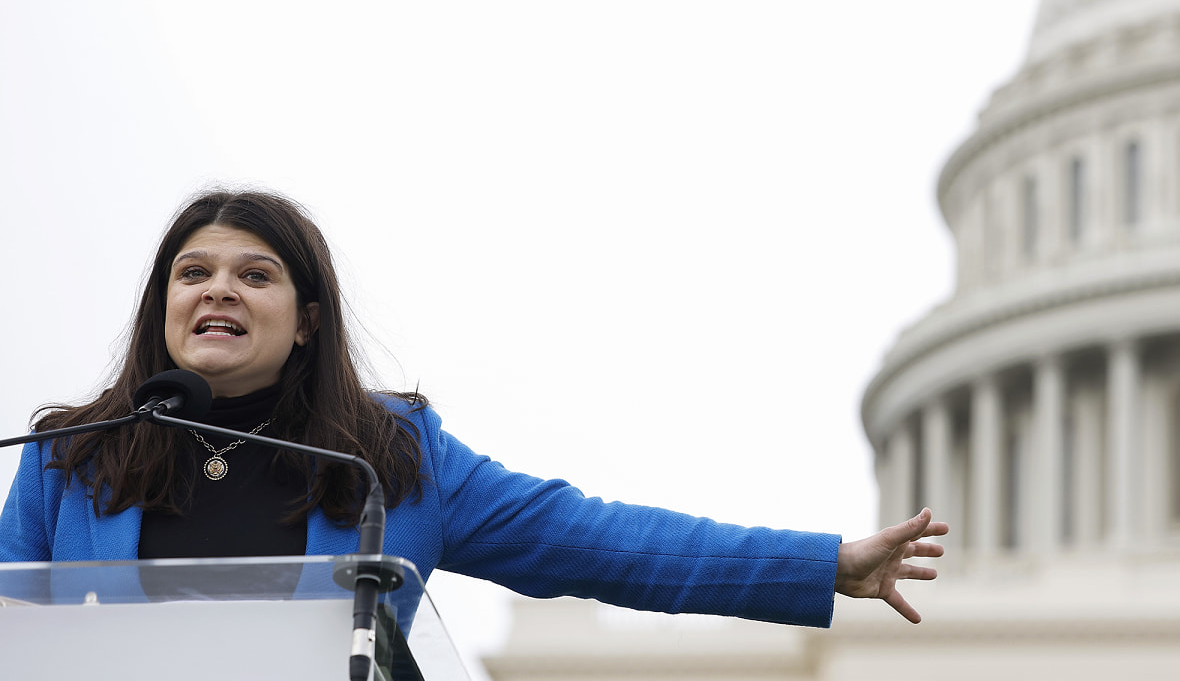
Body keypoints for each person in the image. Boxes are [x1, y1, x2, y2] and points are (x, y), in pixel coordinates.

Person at [0, 188, 946, 627]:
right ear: (161, 305)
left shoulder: (391, 459)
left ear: (305, 323)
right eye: (192, 273)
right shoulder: (71, 460)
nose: (219, 291)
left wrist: (820, 564)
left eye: (256, 274)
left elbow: (605, 543)